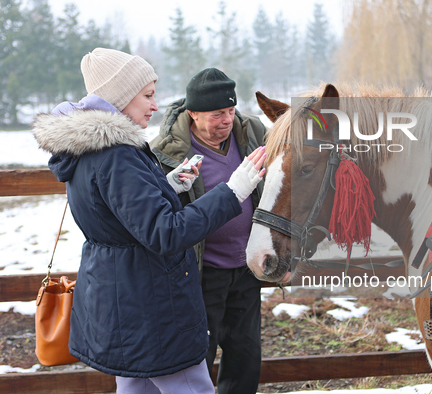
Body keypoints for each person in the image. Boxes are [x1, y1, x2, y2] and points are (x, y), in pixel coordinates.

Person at [32, 48, 266, 394]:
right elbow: (165, 233)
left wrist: (166, 186)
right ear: (120, 97)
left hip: (122, 300)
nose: (155, 106)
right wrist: (233, 191)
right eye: (148, 95)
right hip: (150, 304)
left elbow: (115, 213)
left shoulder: (90, 150)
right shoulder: (116, 156)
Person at [150, 68, 266, 394]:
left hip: (245, 269)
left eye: (231, 111)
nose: (227, 120)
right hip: (200, 273)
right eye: (217, 114)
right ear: (193, 114)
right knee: (199, 355)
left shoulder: (252, 132)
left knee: (246, 355)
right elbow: (156, 211)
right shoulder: (167, 150)